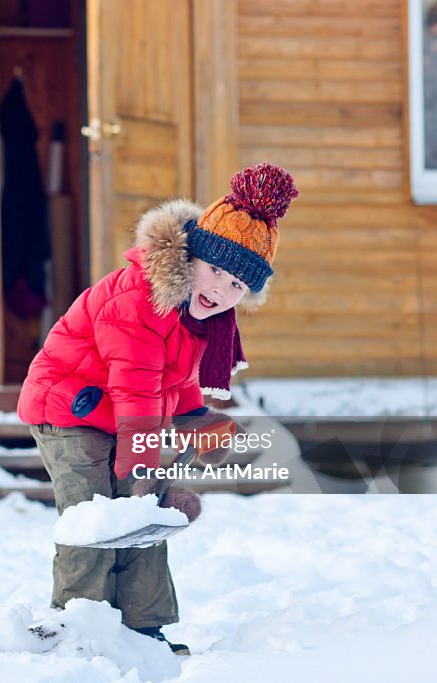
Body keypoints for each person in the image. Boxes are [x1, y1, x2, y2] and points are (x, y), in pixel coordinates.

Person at [17, 163, 298, 656]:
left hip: (122, 413)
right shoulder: (138, 298)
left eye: (237, 286)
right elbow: (137, 391)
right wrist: (143, 467)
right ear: (192, 258)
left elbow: (177, 377)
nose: (221, 291)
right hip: (68, 407)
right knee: (95, 516)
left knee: (142, 517)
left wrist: (194, 418)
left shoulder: (203, 316)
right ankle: (79, 629)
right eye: (216, 271)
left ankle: (143, 629)